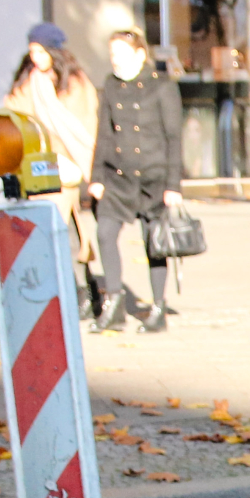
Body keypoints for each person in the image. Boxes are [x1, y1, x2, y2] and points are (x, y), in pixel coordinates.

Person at [86, 28, 186, 334]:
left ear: (140, 55)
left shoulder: (161, 86)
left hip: (153, 178)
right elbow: (104, 134)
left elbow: (173, 138)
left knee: (153, 245)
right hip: (118, 178)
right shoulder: (111, 86)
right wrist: (96, 177)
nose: (115, 60)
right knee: (105, 233)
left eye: (121, 54)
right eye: (112, 54)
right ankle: (114, 304)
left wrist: (173, 186)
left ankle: (158, 309)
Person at [5, 22, 101, 312]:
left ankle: (80, 289)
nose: (35, 56)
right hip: (40, 163)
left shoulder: (75, 82)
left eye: (40, 50)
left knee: (62, 223)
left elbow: (85, 124)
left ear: (53, 50)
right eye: (32, 50)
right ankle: (73, 287)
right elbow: (12, 112)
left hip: (68, 162)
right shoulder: (31, 81)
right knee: (51, 225)